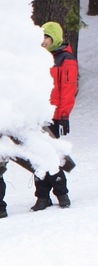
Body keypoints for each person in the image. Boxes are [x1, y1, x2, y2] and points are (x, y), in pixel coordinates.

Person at [32, 21, 77, 211]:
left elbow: (67, 90)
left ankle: (61, 192)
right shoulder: (38, 58)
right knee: (36, 154)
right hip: (37, 114)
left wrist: (63, 117)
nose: (43, 41)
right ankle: (42, 196)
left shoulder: (65, 59)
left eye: (46, 37)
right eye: (41, 37)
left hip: (55, 115)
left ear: (54, 37)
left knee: (52, 153)